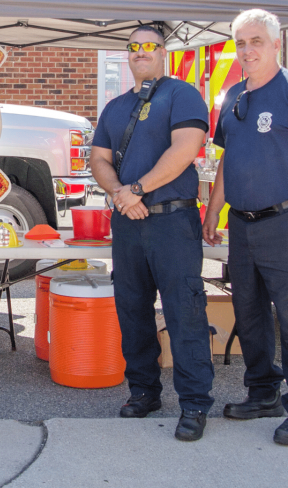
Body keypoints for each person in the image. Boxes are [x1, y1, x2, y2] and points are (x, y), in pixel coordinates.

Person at [202, 8, 288, 447]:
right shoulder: (235, 97)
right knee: (251, 316)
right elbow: (227, 161)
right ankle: (263, 393)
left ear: (277, 44)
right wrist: (213, 211)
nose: (247, 50)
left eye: (256, 41)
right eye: (240, 42)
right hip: (242, 226)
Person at [91, 24, 214, 442]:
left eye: (149, 46)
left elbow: (184, 150)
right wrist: (119, 194)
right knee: (132, 310)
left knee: (185, 311)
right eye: (133, 47)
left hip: (172, 222)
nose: (141, 52)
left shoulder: (182, 95)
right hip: (127, 223)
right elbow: (99, 159)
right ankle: (143, 391)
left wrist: (135, 190)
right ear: (128, 54)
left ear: (164, 52)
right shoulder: (114, 107)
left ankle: (195, 403)